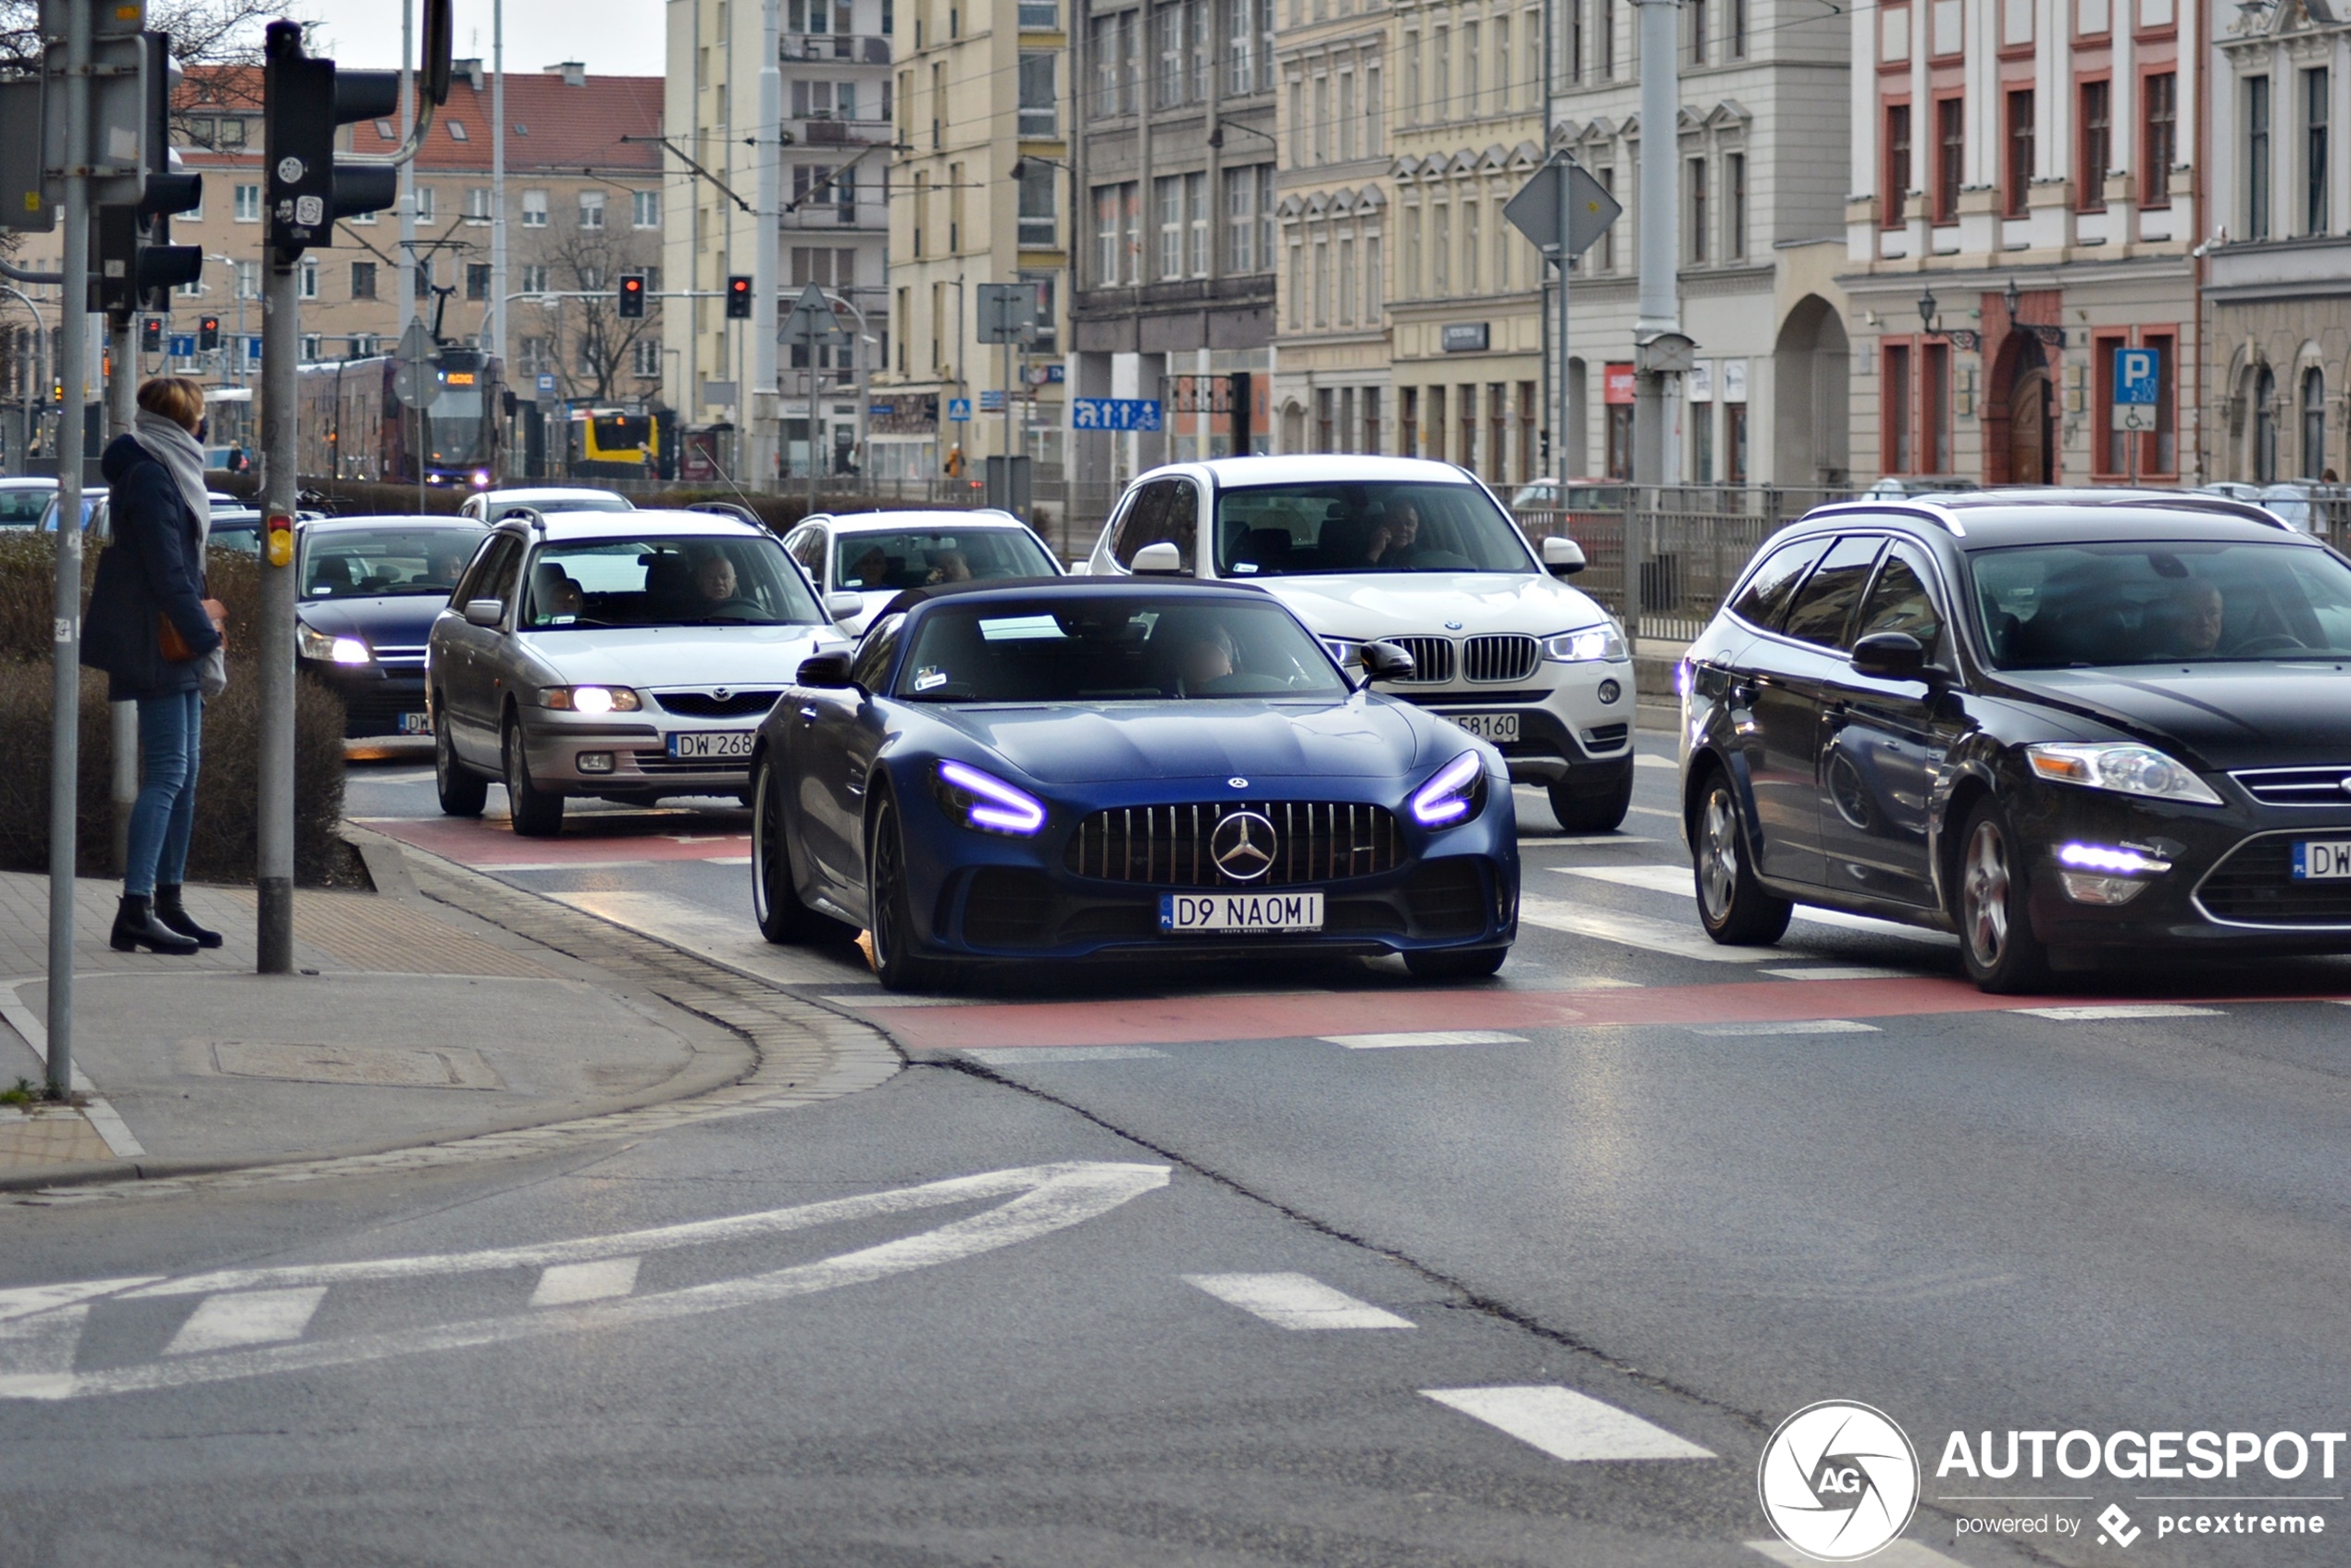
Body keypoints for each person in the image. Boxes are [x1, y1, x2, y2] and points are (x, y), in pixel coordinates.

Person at [81, 376, 225, 955]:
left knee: (184, 776)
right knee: (167, 774)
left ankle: (169, 900)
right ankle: (135, 908)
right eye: (201, 414)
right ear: (186, 418)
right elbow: (168, 571)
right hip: (157, 642)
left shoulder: (165, 467)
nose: (205, 424)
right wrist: (202, 634)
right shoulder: (150, 475)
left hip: (173, 640)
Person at [2149, 579, 2226, 658]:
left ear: (2221, 617)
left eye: (2212, 613)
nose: (2204, 622)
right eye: (2193, 613)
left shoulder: (2238, 660)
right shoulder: (2151, 665)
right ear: (2173, 620)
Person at [1176, 620, 1238, 691]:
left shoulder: (1244, 693)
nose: (1203, 662)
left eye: (1212, 654)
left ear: (1230, 668)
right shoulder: (1165, 695)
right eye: (1198, 655)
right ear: (1184, 664)